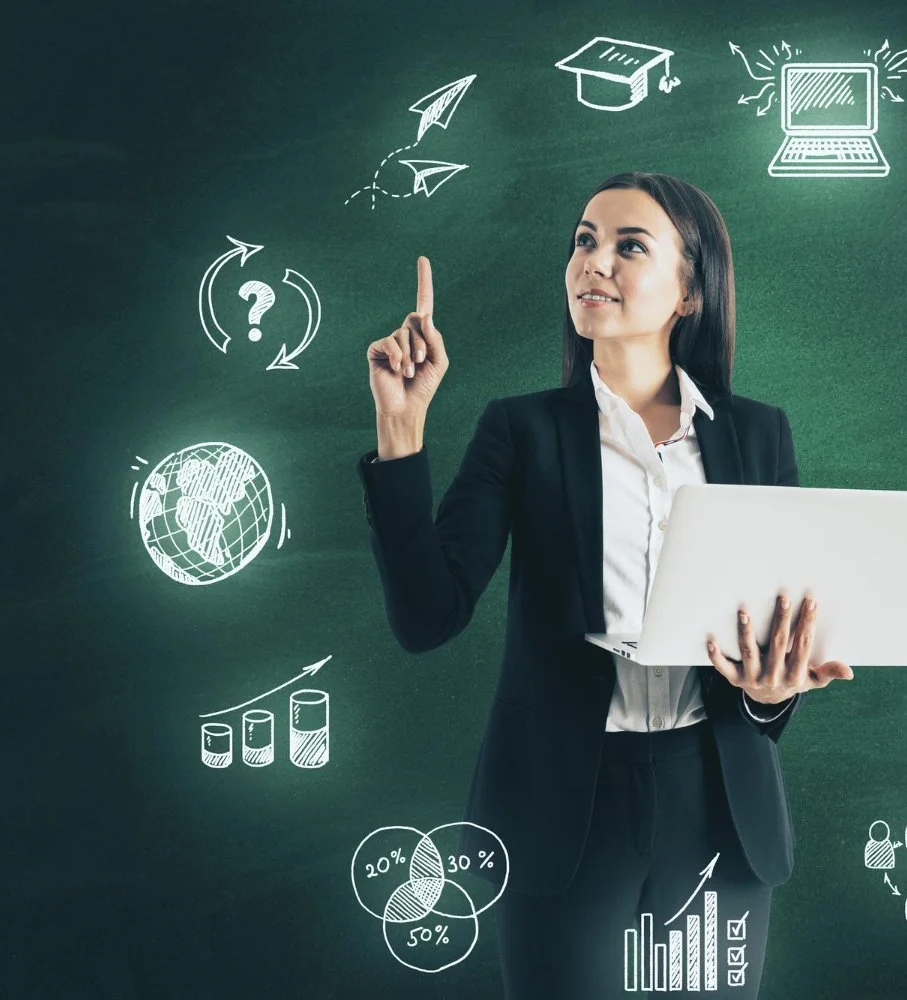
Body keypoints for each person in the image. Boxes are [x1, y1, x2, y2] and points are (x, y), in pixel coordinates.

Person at [357, 171, 854, 998]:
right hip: (562, 810)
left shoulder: (758, 435)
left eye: (629, 245)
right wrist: (401, 430)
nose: (594, 262)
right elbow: (426, 617)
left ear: (690, 290)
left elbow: (770, 645)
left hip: (718, 806)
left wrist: (772, 695)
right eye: (584, 241)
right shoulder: (519, 430)